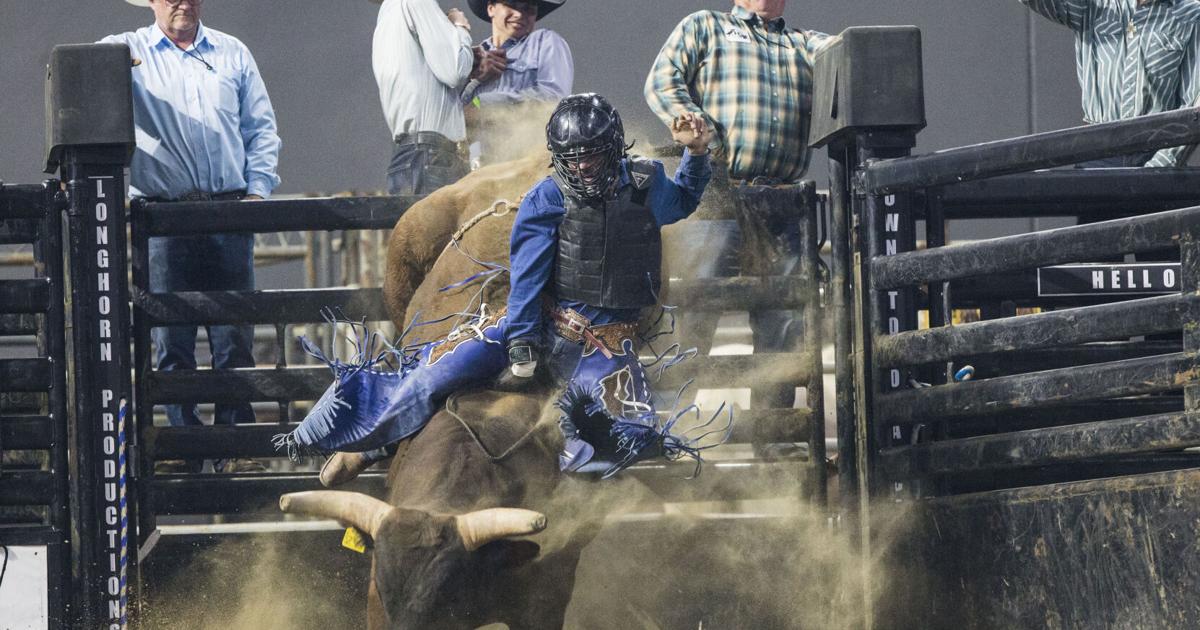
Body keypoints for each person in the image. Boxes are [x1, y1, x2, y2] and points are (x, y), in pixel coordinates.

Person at [286, 94, 714, 484]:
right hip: (540, 322)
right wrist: (523, 342)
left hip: (602, 345)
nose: (583, 165)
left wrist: (695, 152)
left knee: (625, 436)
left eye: (593, 156)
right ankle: (372, 442)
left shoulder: (646, 184)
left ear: (613, 150)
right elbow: (527, 276)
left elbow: (683, 201)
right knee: (433, 374)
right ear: (559, 157)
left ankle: (564, 485)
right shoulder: (545, 197)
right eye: (573, 157)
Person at [105, 0, 281, 473]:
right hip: (165, 215)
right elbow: (83, 66)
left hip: (227, 209)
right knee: (172, 337)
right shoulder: (127, 50)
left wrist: (257, 193)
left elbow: (260, 127)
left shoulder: (233, 52)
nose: (181, 0)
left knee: (234, 338)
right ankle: (186, 443)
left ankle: (234, 444)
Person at [643, 0, 833, 408]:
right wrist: (695, 125)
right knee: (694, 309)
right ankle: (665, 423)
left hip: (779, 199)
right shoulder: (705, 26)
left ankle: (774, 431)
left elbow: (848, 52)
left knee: (783, 321)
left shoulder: (804, 45)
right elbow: (662, 80)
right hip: (713, 190)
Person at [1021, 0, 1200, 168]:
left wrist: (1161, 166)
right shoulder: (1095, 5)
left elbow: (1193, 104)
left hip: (1157, 150)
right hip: (1095, 152)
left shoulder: (1190, 15)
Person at [373, 0, 477, 194]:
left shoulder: (387, 14)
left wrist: (471, 58)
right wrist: (460, 28)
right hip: (433, 158)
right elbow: (455, 70)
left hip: (408, 158)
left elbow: (423, 74)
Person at [460, 0, 574, 165]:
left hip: (525, 161)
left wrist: (484, 105)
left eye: (530, 8)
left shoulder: (545, 42)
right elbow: (452, 114)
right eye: (512, 5)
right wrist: (475, 79)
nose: (520, 14)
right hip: (475, 163)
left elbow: (554, 100)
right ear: (491, 8)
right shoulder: (471, 58)